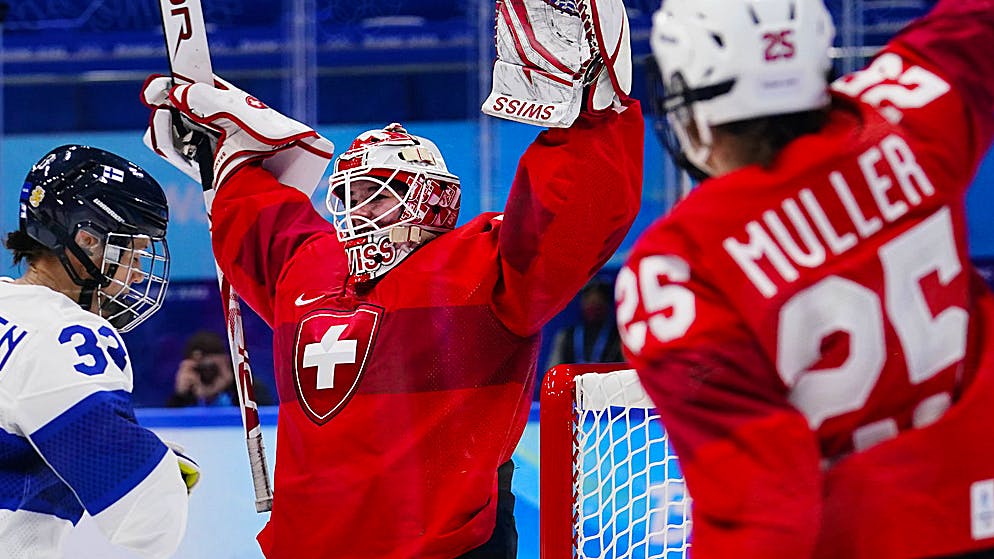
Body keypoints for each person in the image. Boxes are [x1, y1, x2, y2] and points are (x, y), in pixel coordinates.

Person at [142, 0, 640, 556]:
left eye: (377, 195)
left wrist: (593, 117)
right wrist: (223, 156)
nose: (359, 211)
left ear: (431, 200)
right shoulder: (310, 266)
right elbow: (257, 220)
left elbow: (570, 215)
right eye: (350, 194)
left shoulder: (484, 266)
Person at [617, 0, 994, 558]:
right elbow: (975, 20)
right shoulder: (910, 113)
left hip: (863, 537)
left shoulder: (678, 265)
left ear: (692, 106)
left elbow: (761, 512)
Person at [0, 145, 199, 558]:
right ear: (87, 241)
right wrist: (164, 472)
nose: (138, 273)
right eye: (134, 251)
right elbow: (146, 517)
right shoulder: (62, 336)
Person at [167, 329, 273, 407]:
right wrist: (180, 396)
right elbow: (169, 423)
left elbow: (265, 417)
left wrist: (235, 385)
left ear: (226, 362)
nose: (207, 372)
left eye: (212, 368)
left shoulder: (248, 390)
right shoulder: (184, 396)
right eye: (201, 369)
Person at [545, 277, 624, 370]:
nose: (594, 303)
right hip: (572, 379)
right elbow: (553, 370)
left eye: (599, 303)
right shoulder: (565, 336)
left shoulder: (619, 337)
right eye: (589, 300)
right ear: (582, 302)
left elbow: (629, 371)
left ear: (607, 304)